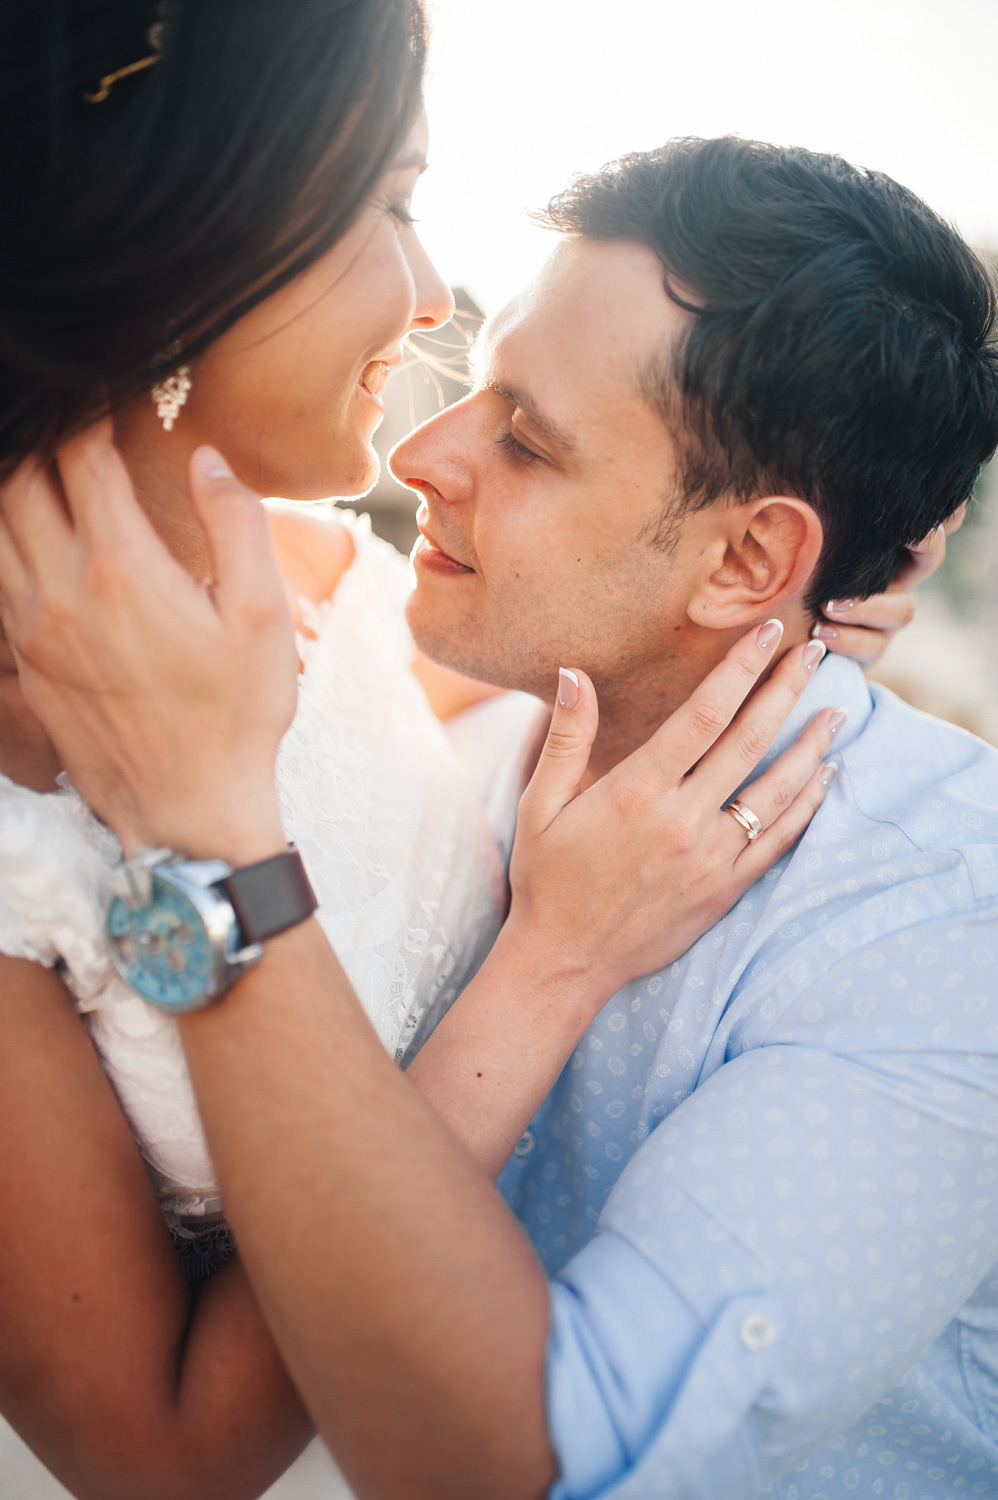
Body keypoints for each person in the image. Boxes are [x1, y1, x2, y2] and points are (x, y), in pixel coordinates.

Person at [0, 5, 916, 1498]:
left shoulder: (325, 580)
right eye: (392, 205)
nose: (430, 297)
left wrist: (756, 609)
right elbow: (157, 1455)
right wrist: (546, 967)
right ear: (190, 238)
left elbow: (430, 773)